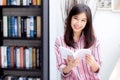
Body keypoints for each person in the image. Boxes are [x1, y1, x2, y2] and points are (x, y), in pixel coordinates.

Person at [55, 4, 101, 80]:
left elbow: (97, 70)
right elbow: (61, 68)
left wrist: (93, 64)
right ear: (70, 18)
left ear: (87, 23)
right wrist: (69, 66)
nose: (78, 23)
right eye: (76, 18)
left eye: (83, 20)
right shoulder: (59, 41)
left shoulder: (94, 40)